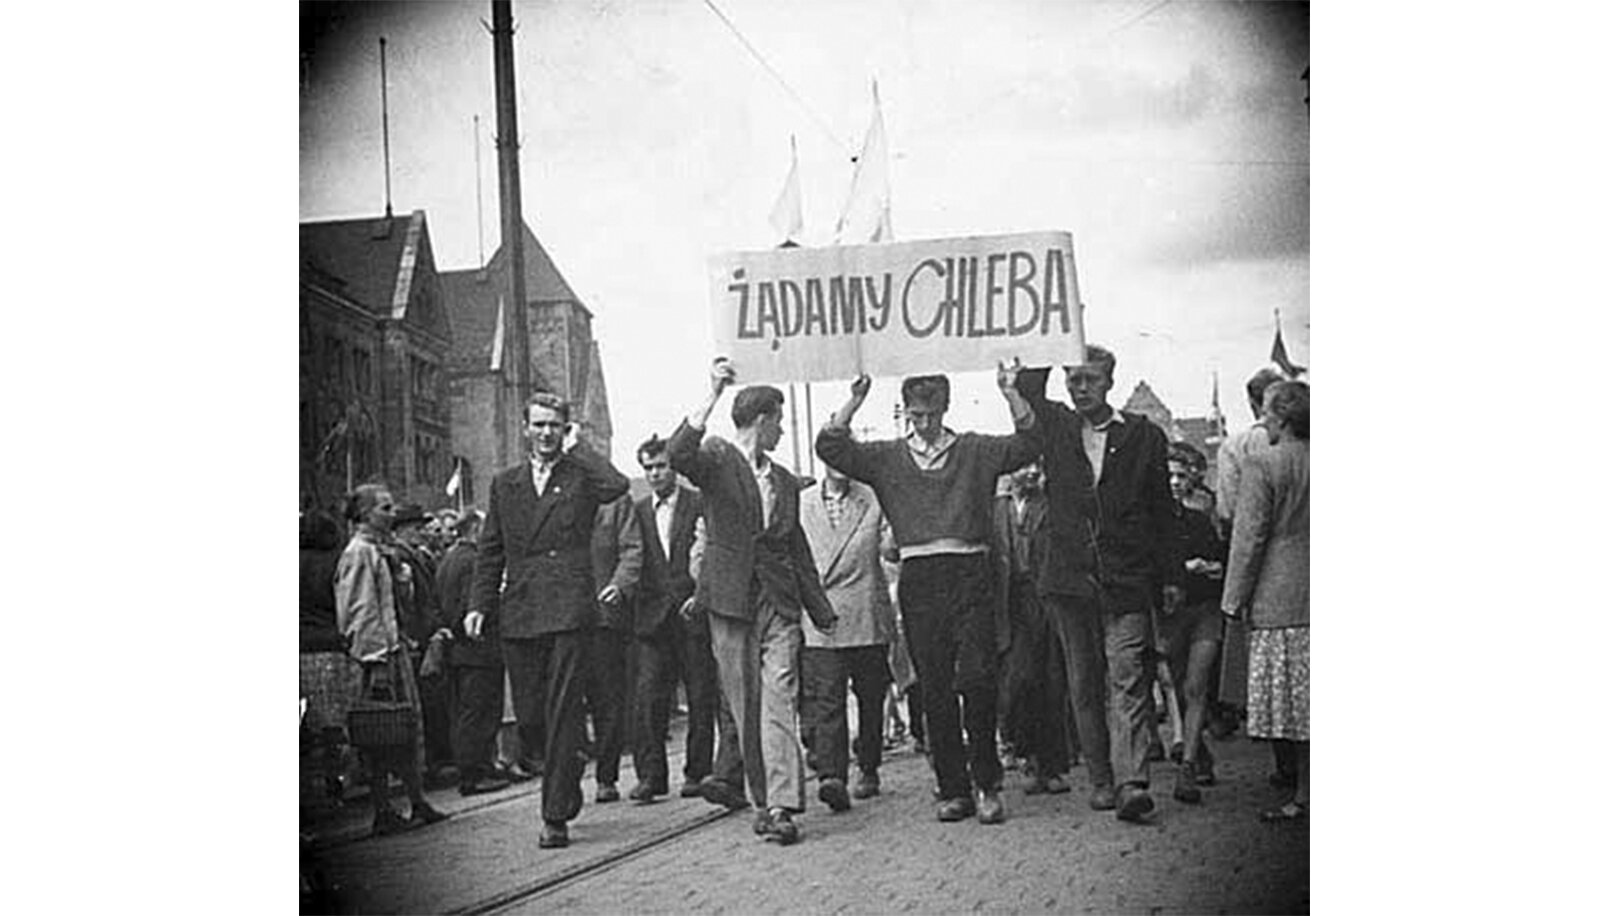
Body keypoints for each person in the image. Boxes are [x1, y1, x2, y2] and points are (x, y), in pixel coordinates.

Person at [816, 362, 1041, 825]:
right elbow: (831, 447)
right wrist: (855, 400)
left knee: (978, 679)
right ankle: (953, 788)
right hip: (920, 575)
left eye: (932, 414)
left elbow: (1030, 444)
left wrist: (1011, 393)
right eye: (916, 415)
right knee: (933, 686)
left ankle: (987, 783)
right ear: (906, 411)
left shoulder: (975, 449)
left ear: (945, 408)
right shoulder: (887, 458)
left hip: (970, 569)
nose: (924, 424)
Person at [666, 359, 838, 845]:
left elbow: (796, 547)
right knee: (746, 706)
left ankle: (783, 804)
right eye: (778, 420)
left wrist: (819, 609)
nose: (783, 430)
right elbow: (679, 454)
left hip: (778, 603)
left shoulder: (784, 480)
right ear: (761, 420)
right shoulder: (717, 459)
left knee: (779, 697)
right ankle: (764, 801)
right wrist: (713, 392)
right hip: (730, 601)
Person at [1014, 346, 1182, 823]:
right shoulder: (1057, 427)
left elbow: (1161, 507)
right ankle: (1103, 780)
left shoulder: (1142, 435)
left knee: (1126, 675)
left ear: (1109, 382)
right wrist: (1052, 339)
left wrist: (1170, 575)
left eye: (1088, 379)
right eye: (1072, 379)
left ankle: (1132, 782)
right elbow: (1028, 390)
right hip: (1068, 578)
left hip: (1126, 576)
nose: (1079, 388)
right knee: (1083, 682)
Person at [468, 392, 631, 849]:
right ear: (525, 428)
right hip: (520, 610)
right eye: (538, 425)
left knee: (561, 711)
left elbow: (617, 485)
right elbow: (491, 548)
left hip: (567, 609)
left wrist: (580, 448)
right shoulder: (506, 483)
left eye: (554, 426)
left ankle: (554, 815)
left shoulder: (580, 475)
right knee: (532, 716)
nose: (545, 434)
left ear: (565, 430)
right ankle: (570, 761)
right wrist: (478, 604)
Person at [334, 484, 450, 836]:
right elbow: (358, 610)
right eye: (384, 508)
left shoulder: (382, 551)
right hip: (378, 658)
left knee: (405, 729)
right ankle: (384, 808)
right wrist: (375, 658)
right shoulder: (358, 554)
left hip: (394, 649)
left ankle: (416, 801)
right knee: (381, 733)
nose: (391, 513)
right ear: (366, 514)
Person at [1221, 380, 1310, 822]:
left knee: (1294, 707)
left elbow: (1249, 537)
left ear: (1283, 416)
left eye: (1269, 413)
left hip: (1278, 594)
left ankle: (1301, 794)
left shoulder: (1262, 463)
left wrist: (1233, 597)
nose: (1265, 421)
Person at [629, 435, 732, 803]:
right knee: (650, 698)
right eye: (649, 468)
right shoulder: (638, 511)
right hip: (653, 620)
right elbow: (632, 559)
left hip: (691, 615)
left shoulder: (697, 502)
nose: (655, 474)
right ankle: (651, 777)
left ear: (673, 468)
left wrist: (700, 595)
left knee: (701, 693)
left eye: (661, 466)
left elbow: (712, 550)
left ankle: (697, 771)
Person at [798, 462, 899, 809]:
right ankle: (832, 776)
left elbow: (890, 546)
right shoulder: (802, 502)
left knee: (871, 698)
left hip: (864, 614)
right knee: (827, 698)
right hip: (820, 614)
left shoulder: (874, 498)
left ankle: (868, 767)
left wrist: (895, 540)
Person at [1214, 366, 1293, 779]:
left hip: (1265, 575)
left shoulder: (1239, 447)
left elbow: (1229, 513)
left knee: (1276, 673)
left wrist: (1233, 594)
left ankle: (1286, 768)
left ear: (1254, 404)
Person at [991, 461, 1072, 796]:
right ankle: (1021, 750)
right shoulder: (995, 508)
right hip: (1009, 603)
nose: (1030, 472)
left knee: (1051, 681)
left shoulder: (1050, 505)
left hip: (1046, 601)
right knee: (1018, 680)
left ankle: (1050, 765)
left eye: (1037, 466)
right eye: (1023, 466)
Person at [1160, 443, 1227, 803]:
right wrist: (1180, 570)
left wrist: (1211, 568)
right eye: (1168, 476)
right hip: (1173, 615)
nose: (1174, 482)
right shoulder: (1152, 527)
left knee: (1196, 685)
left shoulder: (1200, 521)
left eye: (1181, 477)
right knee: (1179, 681)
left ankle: (1186, 766)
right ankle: (1198, 749)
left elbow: (1220, 563)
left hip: (1204, 610)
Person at [437, 510, 511, 797]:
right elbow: (473, 605)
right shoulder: (473, 562)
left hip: (461, 650)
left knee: (468, 711)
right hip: (478, 649)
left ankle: (478, 768)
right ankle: (473, 773)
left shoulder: (450, 558)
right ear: (476, 530)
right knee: (478, 713)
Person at [585, 492, 643, 803]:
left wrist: (619, 584)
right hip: (560, 618)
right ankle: (566, 773)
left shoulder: (616, 504)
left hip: (604, 619)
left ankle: (606, 777)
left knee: (608, 701)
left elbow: (631, 550)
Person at [393, 504, 456, 787]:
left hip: (428, 637)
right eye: (416, 527)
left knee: (434, 702)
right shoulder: (400, 557)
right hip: (418, 641)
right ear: (402, 530)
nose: (420, 532)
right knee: (427, 703)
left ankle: (436, 762)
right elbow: (411, 604)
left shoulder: (414, 556)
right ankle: (432, 764)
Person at [300, 509, 355, 804]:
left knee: (306, 726)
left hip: (298, 649)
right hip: (329, 647)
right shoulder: (334, 562)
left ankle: (310, 788)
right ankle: (335, 782)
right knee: (334, 723)